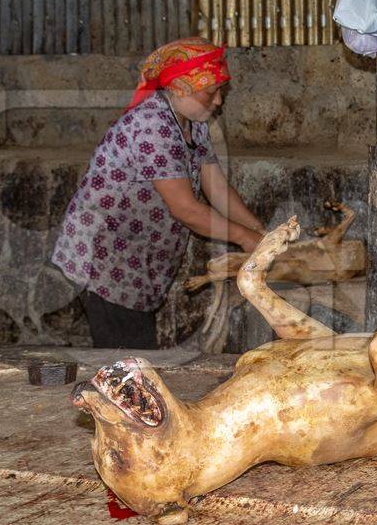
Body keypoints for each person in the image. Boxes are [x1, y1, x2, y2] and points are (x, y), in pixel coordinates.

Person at [52, 37, 265, 349]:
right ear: (179, 87)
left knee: (133, 358)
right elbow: (186, 209)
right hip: (107, 262)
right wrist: (246, 238)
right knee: (130, 366)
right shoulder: (153, 124)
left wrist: (261, 231)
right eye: (210, 92)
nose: (218, 101)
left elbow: (216, 187)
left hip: (135, 264)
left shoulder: (194, 122)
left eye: (220, 91)